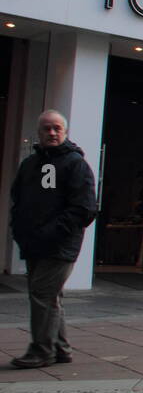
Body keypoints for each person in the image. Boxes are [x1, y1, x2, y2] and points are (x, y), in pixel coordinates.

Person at [7, 110, 97, 369]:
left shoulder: (74, 164)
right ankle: (59, 348)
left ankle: (41, 350)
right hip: (34, 243)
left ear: (65, 132)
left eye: (57, 128)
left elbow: (84, 209)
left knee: (42, 294)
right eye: (47, 128)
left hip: (60, 244)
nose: (52, 133)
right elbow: (18, 201)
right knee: (49, 296)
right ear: (39, 132)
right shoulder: (30, 165)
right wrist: (20, 231)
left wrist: (51, 232)